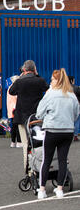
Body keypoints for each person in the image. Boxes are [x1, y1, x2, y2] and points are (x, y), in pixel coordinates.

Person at [36, 69, 79, 199]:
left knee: (47, 160)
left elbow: (39, 113)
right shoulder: (71, 95)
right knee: (62, 160)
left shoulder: (50, 94)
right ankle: (60, 189)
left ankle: (42, 190)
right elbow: (76, 113)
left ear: (57, 80)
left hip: (52, 129)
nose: (51, 82)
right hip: (67, 131)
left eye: (52, 79)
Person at [9, 60, 49, 172]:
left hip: (22, 116)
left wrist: (20, 78)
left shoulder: (20, 82)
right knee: (40, 140)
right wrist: (36, 75)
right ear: (34, 69)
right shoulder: (39, 80)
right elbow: (47, 88)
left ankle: (29, 169)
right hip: (37, 116)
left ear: (24, 70)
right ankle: (42, 165)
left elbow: (11, 91)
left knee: (26, 144)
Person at [6, 75, 22, 148]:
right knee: (18, 126)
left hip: (11, 109)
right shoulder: (15, 89)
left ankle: (13, 142)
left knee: (14, 126)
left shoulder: (10, 88)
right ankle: (18, 142)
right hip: (15, 109)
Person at [68, 76, 80, 141]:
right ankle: (75, 135)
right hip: (76, 106)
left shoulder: (64, 88)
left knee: (69, 120)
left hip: (67, 107)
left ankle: (68, 134)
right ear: (72, 81)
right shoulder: (76, 88)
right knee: (77, 120)